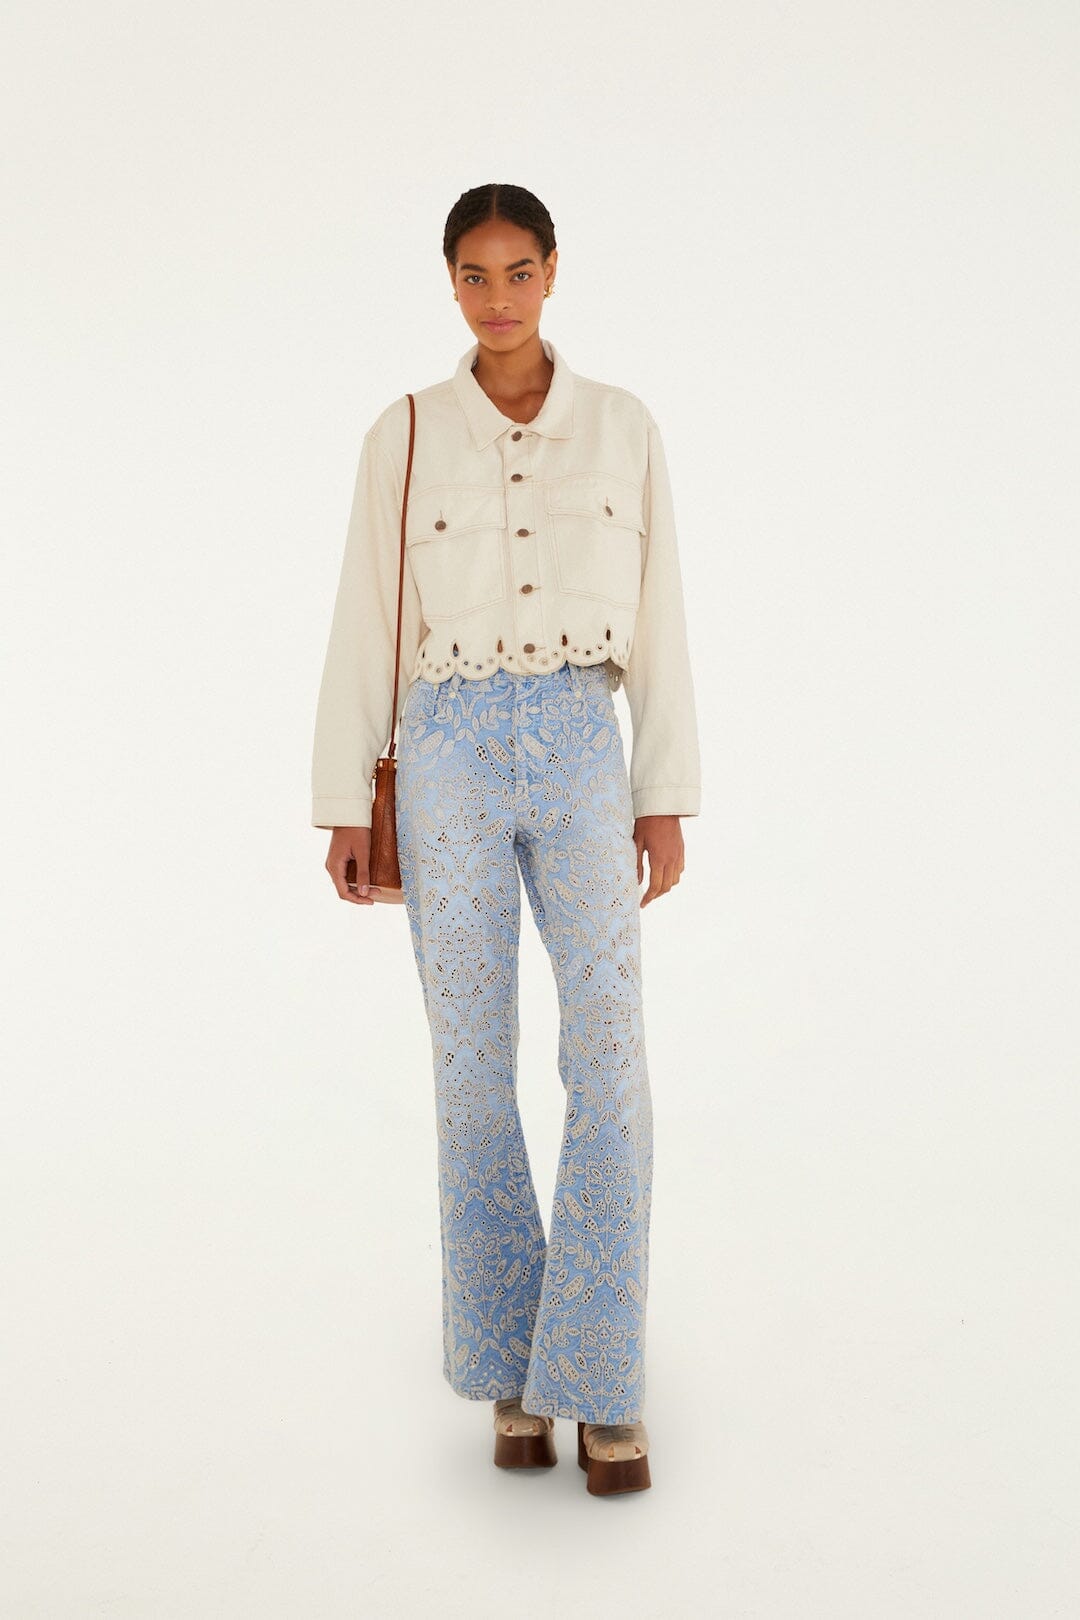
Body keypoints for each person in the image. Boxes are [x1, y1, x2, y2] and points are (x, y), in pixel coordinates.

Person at [311, 183, 701, 1496]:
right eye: (474, 276)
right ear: (451, 283)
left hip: (585, 743)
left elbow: (662, 614)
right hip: (447, 754)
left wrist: (662, 787)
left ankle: (599, 1376)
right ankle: (509, 1375)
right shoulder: (406, 432)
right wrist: (346, 798)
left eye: (517, 272)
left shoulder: (623, 426)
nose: (497, 298)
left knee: (611, 1058)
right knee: (470, 1069)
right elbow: (366, 617)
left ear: (552, 272)